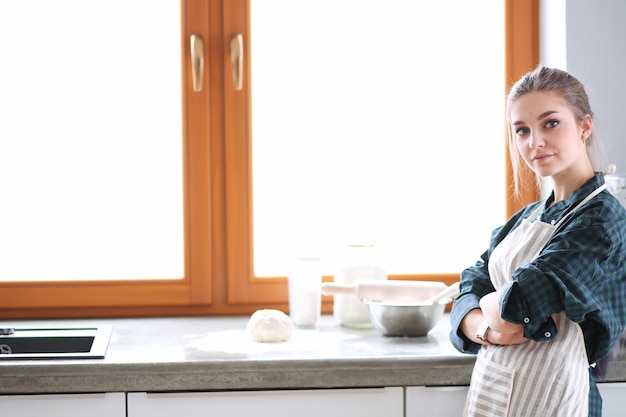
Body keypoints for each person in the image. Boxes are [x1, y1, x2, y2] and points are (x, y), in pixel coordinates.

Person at [450, 66, 626, 417]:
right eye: (522, 130)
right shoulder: (528, 216)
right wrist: (485, 327)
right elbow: (470, 281)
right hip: (494, 390)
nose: (535, 142)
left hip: (556, 397)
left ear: (584, 126)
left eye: (550, 123)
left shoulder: (601, 220)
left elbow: (518, 305)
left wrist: (490, 304)